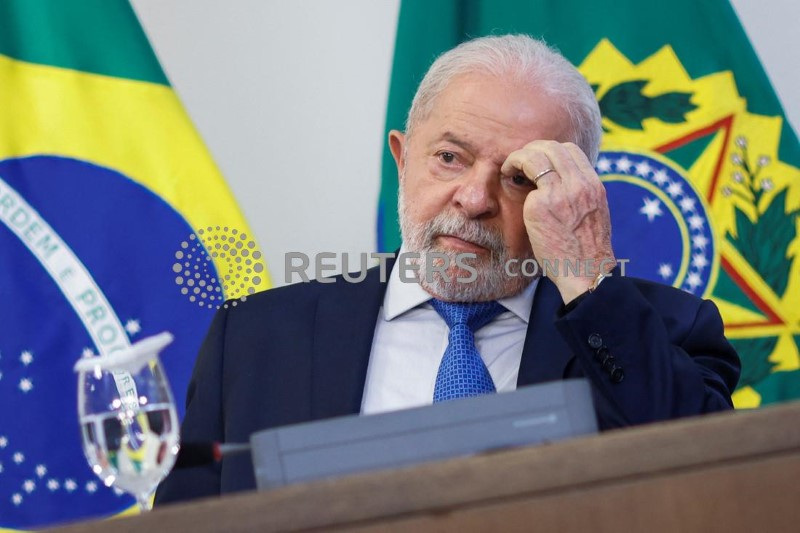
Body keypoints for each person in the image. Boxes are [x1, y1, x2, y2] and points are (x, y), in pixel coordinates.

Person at [155, 34, 739, 503]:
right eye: (449, 158)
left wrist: (587, 280)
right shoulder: (254, 337)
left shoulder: (666, 332)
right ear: (403, 158)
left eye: (518, 178)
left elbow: (717, 490)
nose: (474, 198)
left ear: (571, 193)